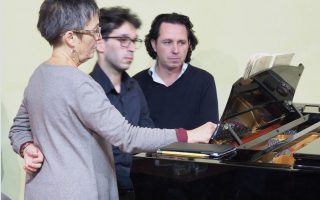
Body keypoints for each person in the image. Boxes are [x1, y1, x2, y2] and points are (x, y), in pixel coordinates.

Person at [8, 1, 216, 200]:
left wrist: (26, 147)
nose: (98, 39)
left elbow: (18, 128)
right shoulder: (82, 85)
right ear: (71, 38)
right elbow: (126, 136)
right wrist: (187, 135)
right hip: (79, 192)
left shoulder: (40, 74)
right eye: (94, 31)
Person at [89, 7, 152, 199]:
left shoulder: (135, 87)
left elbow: (147, 134)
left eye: (134, 41)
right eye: (123, 40)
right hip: (101, 191)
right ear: (100, 42)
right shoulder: (87, 89)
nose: (132, 47)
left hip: (137, 188)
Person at [133, 13, 219, 130]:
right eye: (167, 42)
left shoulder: (204, 81)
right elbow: (132, 136)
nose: (175, 50)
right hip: (147, 149)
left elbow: (209, 134)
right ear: (154, 44)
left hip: (193, 149)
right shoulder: (136, 84)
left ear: (189, 44)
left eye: (181, 43)